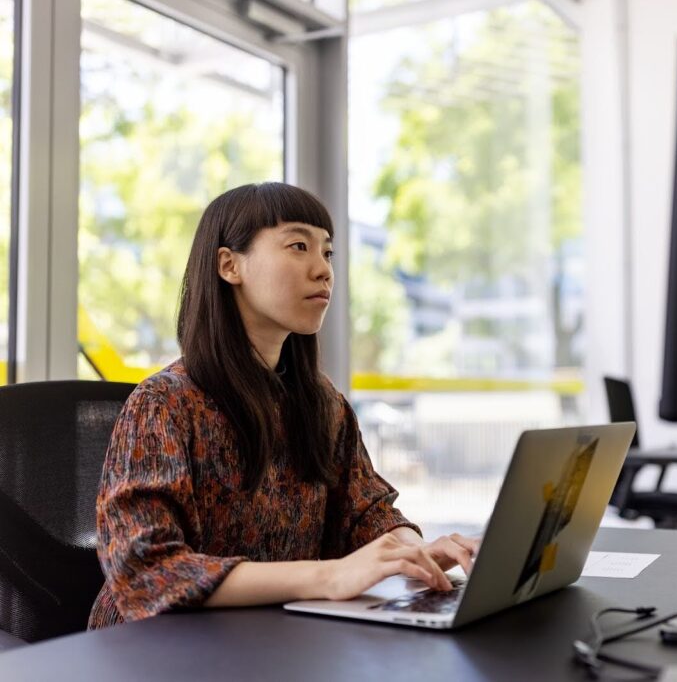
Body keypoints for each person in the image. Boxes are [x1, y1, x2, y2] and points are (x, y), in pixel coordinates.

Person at [88, 182, 478, 629]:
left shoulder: (323, 404)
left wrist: (413, 551)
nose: (324, 271)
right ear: (229, 265)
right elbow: (146, 572)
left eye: (327, 253)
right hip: (150, 652)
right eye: (299, 246)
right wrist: (327, 576)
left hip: (270, 641)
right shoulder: (164, 404)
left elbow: (366, 512)